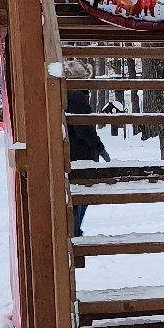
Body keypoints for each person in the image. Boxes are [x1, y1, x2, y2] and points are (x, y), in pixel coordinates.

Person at [64, 60, 109, 236]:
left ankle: (74, 230)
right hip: (80, 155)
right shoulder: (77, 96)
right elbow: (84, 129)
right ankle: (74, 231)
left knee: (76, 195)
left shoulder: (67, 94)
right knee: (81, 195)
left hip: (73, 153)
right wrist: (98, 147)